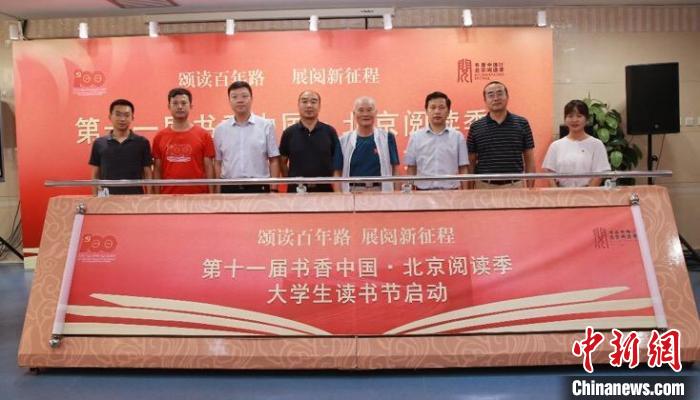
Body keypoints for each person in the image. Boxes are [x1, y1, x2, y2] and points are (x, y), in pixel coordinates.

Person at [213, 81, 280, 193]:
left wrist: (274, 189)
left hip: (259, 187)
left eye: (244, 96)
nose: (240, 100)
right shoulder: (220, 129)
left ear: (251, 99)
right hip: (229, 187)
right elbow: (218, 162)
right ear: (229, 101)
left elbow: (274, 160)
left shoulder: (266, 125)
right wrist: (218, 191)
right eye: (234, 97)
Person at [467, 81, 535, 188]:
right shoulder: (476, 127)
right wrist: (469, 190)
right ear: (485, 100)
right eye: (491, 95)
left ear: (507, 97)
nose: (496, 98)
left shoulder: (522, 123)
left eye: (500, 93)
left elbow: (529, 160)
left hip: (515, 186)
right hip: (484, 186)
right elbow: (471, 162)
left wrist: (530, 189)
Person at [152, 88, 215, 194]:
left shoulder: (204, 135)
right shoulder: (159, 137)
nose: (180, 107)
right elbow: (157, 169)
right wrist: (157, 197)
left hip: (199, 196)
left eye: (183, 103)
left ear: (191, 106)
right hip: (168, 196)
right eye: (175, 103)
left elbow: (209, 168)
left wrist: (212, 195)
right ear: (169, 106)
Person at [279, 90, 341, 193]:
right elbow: (282, 162)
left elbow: (337, 164)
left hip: (325, 190)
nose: (309, 105)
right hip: (296, 191)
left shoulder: (329, 132)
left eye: (313, 102)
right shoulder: (289, 133)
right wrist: (291, 180)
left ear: (319, 106)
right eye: (304, 101)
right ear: (298, 105)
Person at [405, 91, 469, 190]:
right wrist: (410, 193)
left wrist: (465, 193)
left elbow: (463, 168)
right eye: (433, 107)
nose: (437, 111)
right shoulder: (416, 137)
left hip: (451, 193)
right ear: (426, 111)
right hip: (423, 192)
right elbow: (411, 168)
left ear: (448, 111)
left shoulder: (457, 137)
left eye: (441, 107)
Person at [335, 96, 400, 192]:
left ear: (376, 112)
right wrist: (339, 196)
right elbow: (337, 172)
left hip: (381, 191)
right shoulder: (343, 141)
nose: (365, 114)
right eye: (361, 110)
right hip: (353, 192)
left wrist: (397, 195)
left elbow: (395, 170)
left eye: (369, 110)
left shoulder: (387, 138)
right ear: (354, 114)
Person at [89, 99, 152, 195]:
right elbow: (95, 174)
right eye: (118, 114)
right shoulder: (99, 143)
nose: (122, 119)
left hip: (135, 199)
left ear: (132, 117)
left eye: (126, 115)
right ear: (110, 116)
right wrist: (95, 198)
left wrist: (149, 196)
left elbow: (147, 173)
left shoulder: (142, 142)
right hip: (107, 198)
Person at [542, 100, 611, 187]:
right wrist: (557, 192)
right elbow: (549, 172)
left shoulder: (596, 144)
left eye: (579, 116)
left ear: (587, 119)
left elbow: (600, 173)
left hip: (588, 192)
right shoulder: (556, 145)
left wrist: (586, 192)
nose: (574, 120)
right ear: (565, 119)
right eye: (570, 116)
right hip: (562, 192)